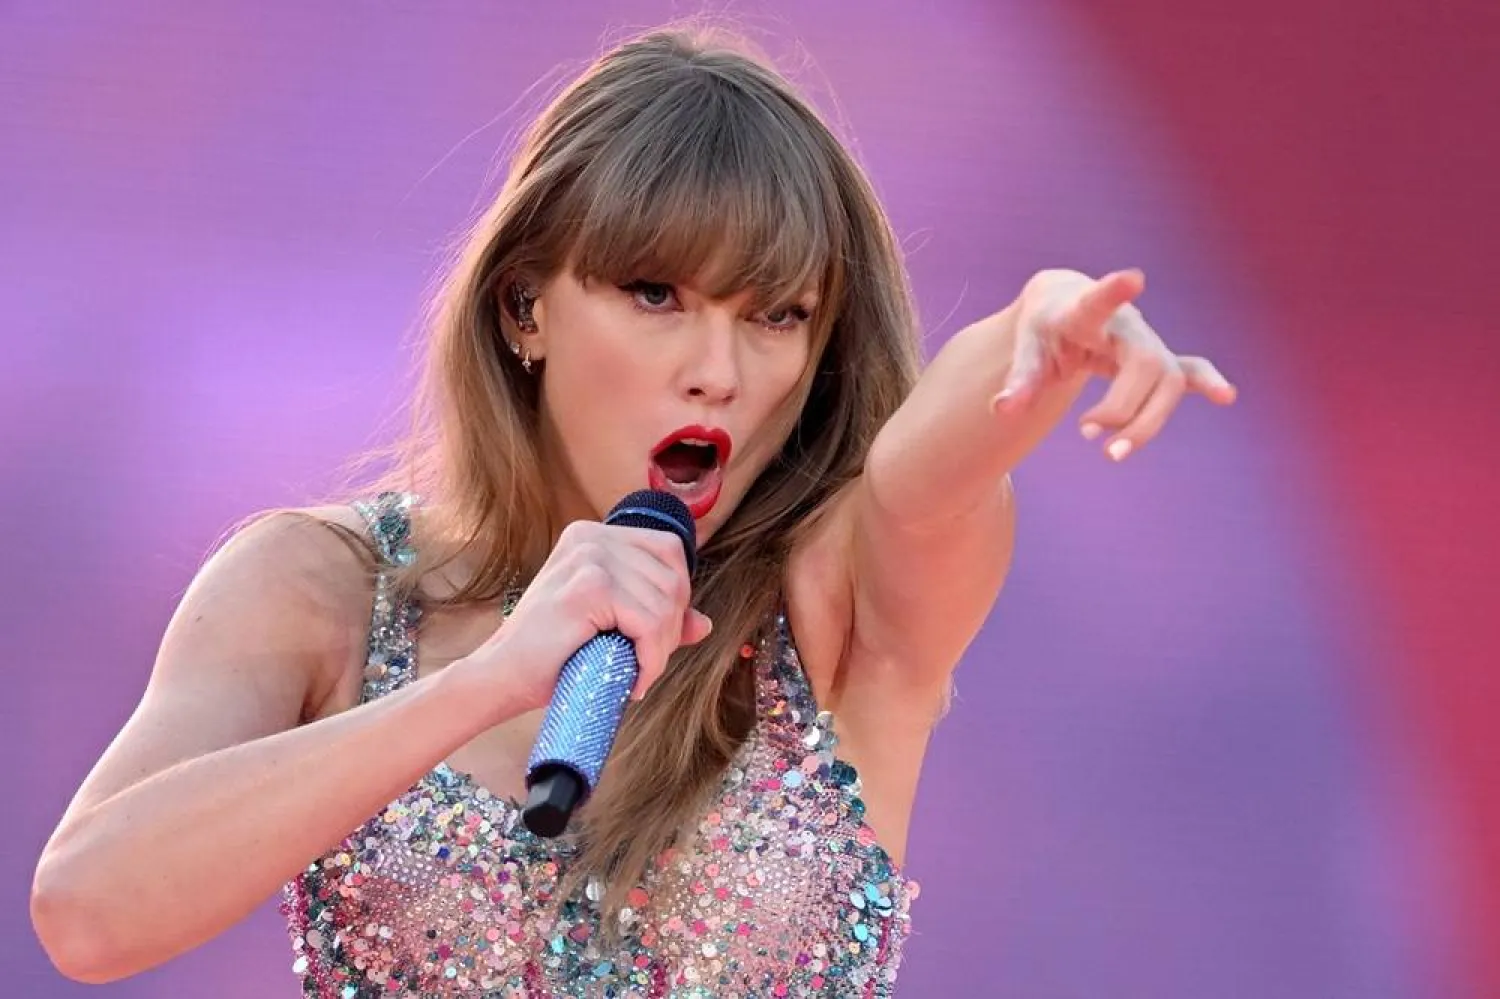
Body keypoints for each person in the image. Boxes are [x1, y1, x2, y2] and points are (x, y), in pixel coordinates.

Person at [29, 24, 1236, 999]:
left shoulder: (838, 605)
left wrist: (1039, 324)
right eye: (657, 295)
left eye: (776, 316)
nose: (717, 371)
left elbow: (927, 470)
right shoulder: (324, 591)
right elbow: (88, 912)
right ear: (526, 308)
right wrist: (485, 683)